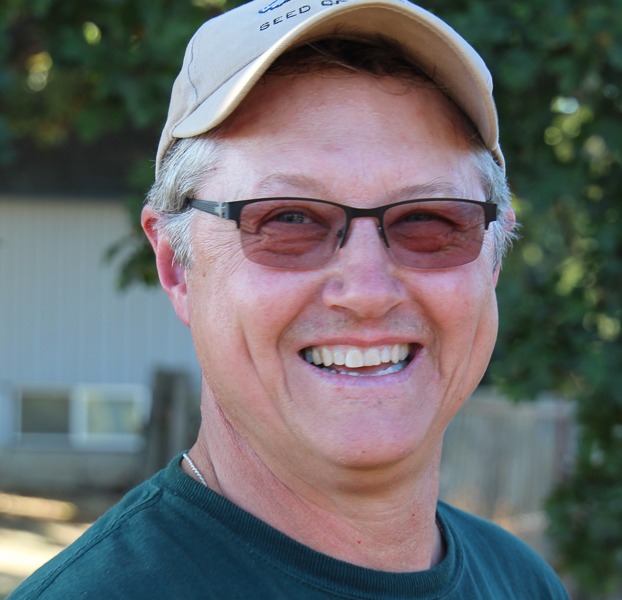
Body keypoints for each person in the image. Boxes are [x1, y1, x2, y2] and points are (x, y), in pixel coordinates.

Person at [10, 1, 570, 598]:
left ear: (494, 255)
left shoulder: (520, 582)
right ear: (175, 265)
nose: (367, 291)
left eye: (429, 221)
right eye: (290, 219)